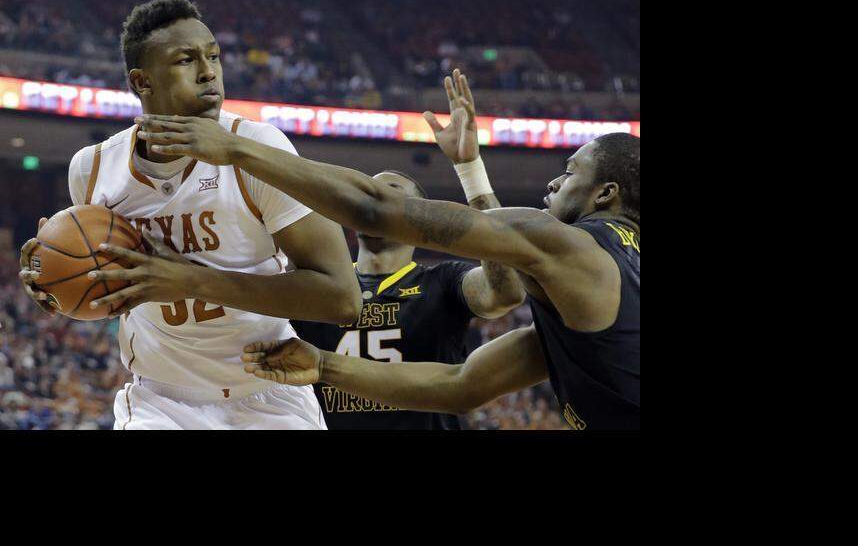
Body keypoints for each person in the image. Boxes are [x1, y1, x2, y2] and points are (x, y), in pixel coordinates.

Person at [134, 68, 640, 430]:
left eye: (570, 171)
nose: (554, 181)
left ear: (605, 194)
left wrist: (238, 149)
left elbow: (373, 209)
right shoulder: (596, 290)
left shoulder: (567, 249)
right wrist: (324, 365)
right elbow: (463, 385)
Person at [16, 0, 359, 430]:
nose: (209, 71)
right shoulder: (93, 168)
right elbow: (104, 282)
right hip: (160, 401)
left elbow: (342, 299)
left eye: (213, 56)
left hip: (267, 392)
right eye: (186, 59)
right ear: (142, 81)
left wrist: (192, 281)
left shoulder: (257, 148)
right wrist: (57, 282)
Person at [291, 73, 526, 429]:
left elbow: (506, 290)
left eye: (390, 194)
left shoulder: (443, 281)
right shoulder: (320, 283)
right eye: (369, 195)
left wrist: (470, 171)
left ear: (419, 217)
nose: (375, 202)